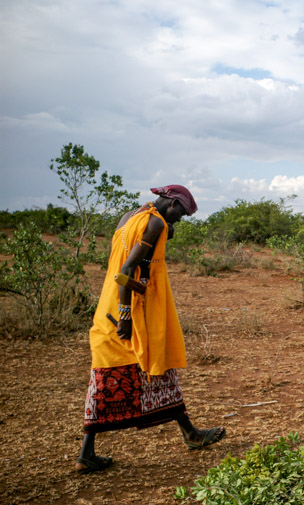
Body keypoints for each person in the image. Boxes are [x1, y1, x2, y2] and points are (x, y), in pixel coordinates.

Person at [75, 185, 225, 474]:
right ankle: (191, 434)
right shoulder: (154, 222)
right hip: (132, 307)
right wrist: (125, 315)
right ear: (169, 202)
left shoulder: (130, 217)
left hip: (111, 299)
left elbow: (129, 261)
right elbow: (127, 270)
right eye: (179, 213)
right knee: (157, 364)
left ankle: (87, 453)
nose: (178, 220)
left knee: (106, 376)